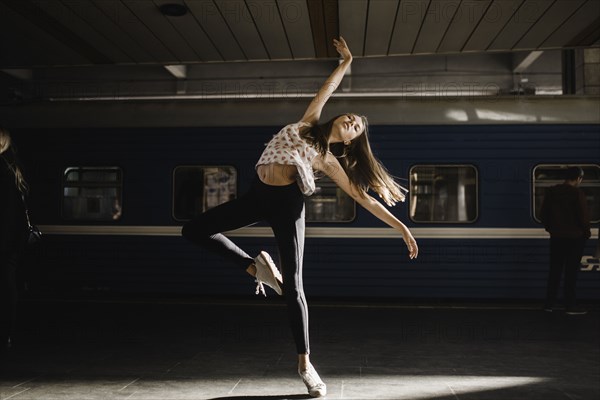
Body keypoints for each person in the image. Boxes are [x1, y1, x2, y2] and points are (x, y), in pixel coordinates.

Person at [181, 37, 418, 398]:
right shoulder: (308, 122)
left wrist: (401, 227)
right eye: (352, 117)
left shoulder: (328, 159)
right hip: (258, 196)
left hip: (288, 205)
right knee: (194, 229)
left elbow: (363, 198)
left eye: (357, 127)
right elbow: (328, 87)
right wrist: (346, 62)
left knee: (293, 285)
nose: (353, 120)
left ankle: (306, 365)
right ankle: (254, 267)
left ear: (350, 142)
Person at [540, 166, 591, 315]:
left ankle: (549, 304)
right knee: (571, 273)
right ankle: (570, 306)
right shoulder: (577, 193)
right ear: (578, 178)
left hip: (556, 238)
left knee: (554, 271)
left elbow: (543, 214)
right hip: (575, 238)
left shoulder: (551, 192)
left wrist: (552, 229)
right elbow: (584, 217)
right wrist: (585, 233)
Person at [0, 127, 29, 353]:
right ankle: (6, 334)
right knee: (8, 288)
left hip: (5, 240)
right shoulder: (13, 168)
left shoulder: (2, 169)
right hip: (12, 241)